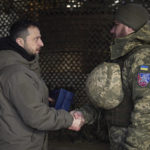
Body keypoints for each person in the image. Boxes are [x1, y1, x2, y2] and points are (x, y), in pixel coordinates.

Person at [71, 3, 150, 150]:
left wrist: (133, 147)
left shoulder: (143, 58)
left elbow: (146, 108)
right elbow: (111, 99)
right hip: (120, 140)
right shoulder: (125, 56)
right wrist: (84, 115)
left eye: (116, 25)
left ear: (129, 26)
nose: (112, 30)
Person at [0, 19, 84, 150]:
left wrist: (43, 97)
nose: (42, 43)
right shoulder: (17, 73)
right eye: (36, 39)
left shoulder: (22, 66)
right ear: (20, 42)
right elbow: (36, 116)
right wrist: (69, 119)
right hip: (21, 144)